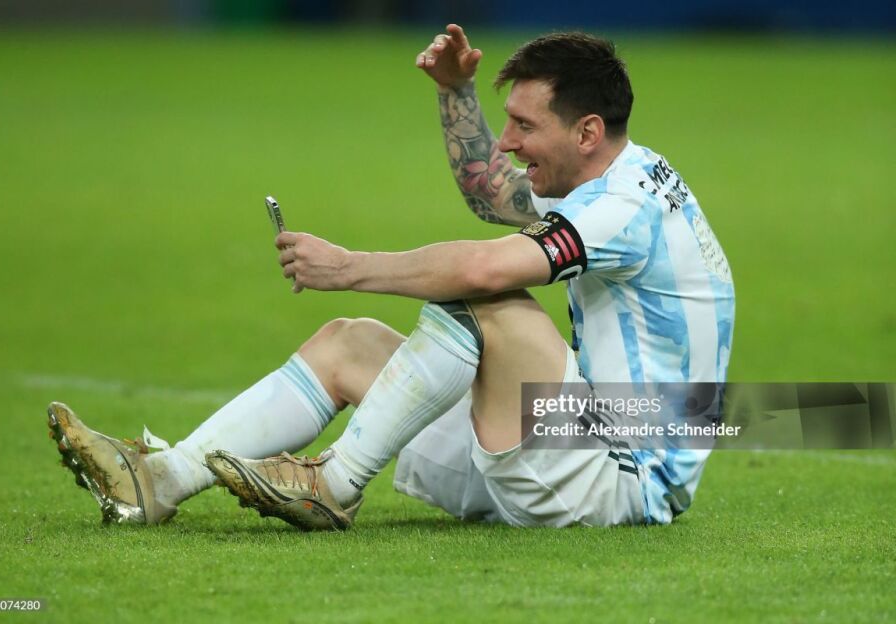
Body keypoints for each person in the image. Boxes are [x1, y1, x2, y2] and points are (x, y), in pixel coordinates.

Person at [48, 25, 734, 530]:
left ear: (586, 132)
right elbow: (491, 192)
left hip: (621, 478)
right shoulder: (610, 177)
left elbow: (483, 267)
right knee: (347, 345)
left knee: (489, 295)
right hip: (562, 446)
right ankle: (157, 482)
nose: (506, 142)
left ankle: (335, 483)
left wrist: (347, 266)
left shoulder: (624, 206)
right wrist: (456, 92)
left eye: (523, 125)